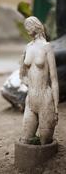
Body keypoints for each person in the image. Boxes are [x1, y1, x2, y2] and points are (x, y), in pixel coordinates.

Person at [20, 16, 59, 145]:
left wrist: (56, 107)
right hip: (30, 99)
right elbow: (22, 74)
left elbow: (54, 80)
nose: (27, 31)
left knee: (45, 141)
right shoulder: (28, 47)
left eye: (28, 28)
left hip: (45, 99)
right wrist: (27, 81)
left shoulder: (47, 47)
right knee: (25, 140)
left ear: (35, 27)